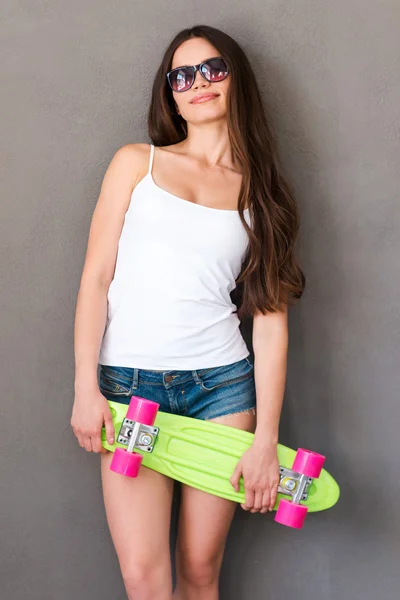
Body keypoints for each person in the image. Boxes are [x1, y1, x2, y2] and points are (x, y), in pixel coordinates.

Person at [71, 24, 305, 600]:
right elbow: (95, 279)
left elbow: (270, 321)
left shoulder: (261, 194)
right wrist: (84, 388)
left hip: (222, 391)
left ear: (236, 81)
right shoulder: (135, 164)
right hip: (129, 393)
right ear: (170, 94)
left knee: (201, 571)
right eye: (182, 75)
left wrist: (265, 441)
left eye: (212, 69)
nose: (197, 83)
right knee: (145, 581)